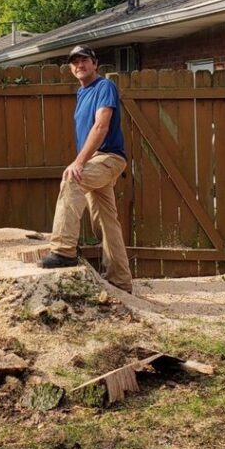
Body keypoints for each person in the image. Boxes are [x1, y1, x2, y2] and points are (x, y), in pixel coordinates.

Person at [40, 45, 132, 293]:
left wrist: (79, 162)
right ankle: (121, 281)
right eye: (74, 62)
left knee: (72, 180)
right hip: (95, 160)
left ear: (95, 64)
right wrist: (83, 160)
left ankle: (63, 249)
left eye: (84, 60)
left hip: (109, 158)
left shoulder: (105, 87)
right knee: (105, 221)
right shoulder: (82, 94)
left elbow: (101, 127)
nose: (79, 65)